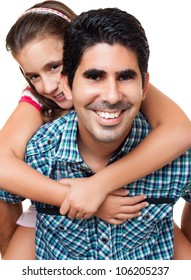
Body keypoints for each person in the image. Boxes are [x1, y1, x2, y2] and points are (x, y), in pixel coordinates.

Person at [1, 7, 190, 260]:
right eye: (33, 75)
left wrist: (99, 185)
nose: (47, 86)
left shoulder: (118, 73)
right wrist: (74, 197)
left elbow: (179, 131)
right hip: (49, 212)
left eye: (54, 66)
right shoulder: (36, 105)